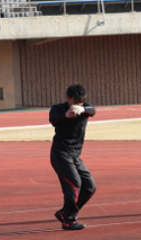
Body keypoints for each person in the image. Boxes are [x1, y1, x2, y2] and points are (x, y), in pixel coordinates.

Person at [49, 84, 96, 230]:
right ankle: (69, 220)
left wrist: (82, 108)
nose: (77, 105)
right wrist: (65, 115)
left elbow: (92, 110)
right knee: (74, 184)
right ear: (67, 98)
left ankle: (66, 213)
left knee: (89, 186)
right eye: (75, 102)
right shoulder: (58, 109)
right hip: (60, 153)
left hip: (75, 155)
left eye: (80, 102)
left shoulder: (85, 108)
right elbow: (53, 119)